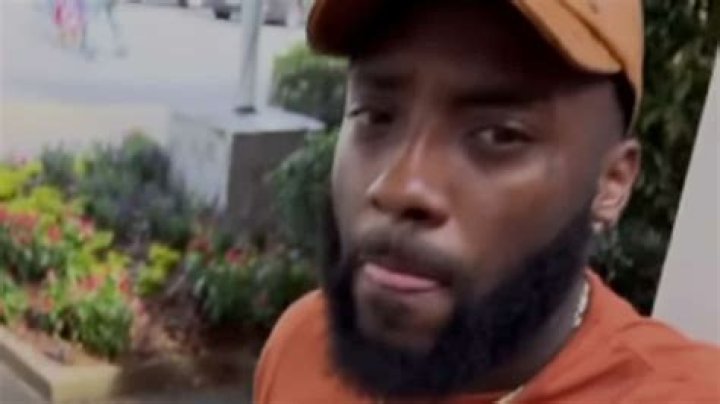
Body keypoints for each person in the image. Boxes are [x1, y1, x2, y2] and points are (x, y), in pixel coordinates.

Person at [254, 1, 720, 403]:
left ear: (611, 183)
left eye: (499, 136)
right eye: (376, 116)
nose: (398, 188)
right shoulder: (300, 347)